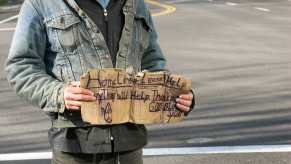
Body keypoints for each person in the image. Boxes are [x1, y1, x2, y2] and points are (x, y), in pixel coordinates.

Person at [5, 0, 195, 163]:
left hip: (129, 144)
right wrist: (58, 94)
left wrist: (175, 95)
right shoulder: (41, 4)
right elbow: (21, 66)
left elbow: (152, 62)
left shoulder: (135, 4)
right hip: (74, 145)